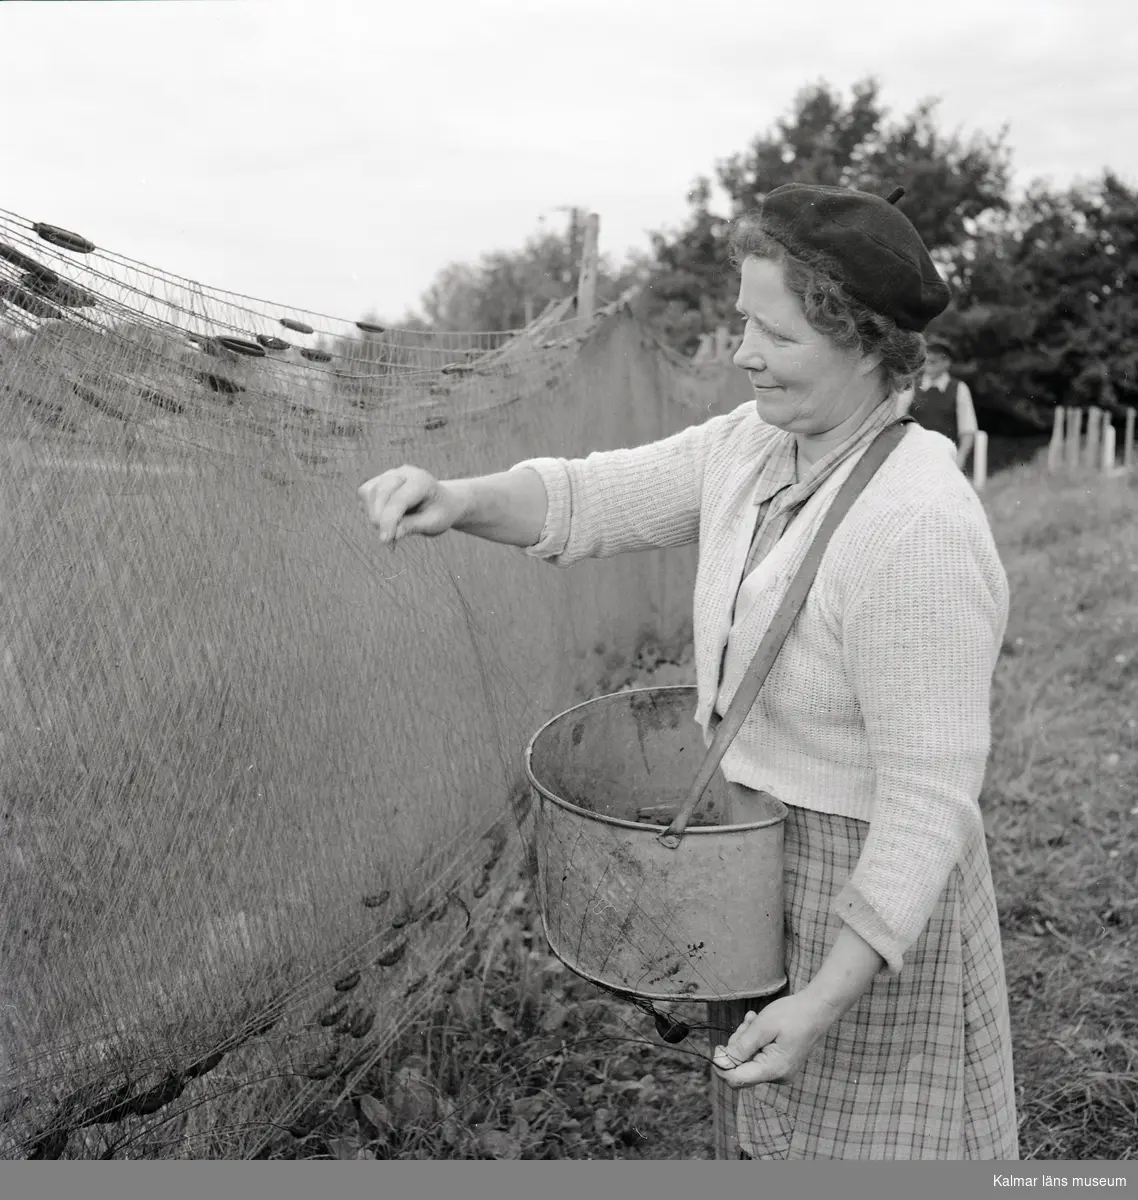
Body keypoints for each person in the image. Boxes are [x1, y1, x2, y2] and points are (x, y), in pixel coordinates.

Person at [357, 183, 1018, 1161]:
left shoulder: (917, 524)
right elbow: (595, 497)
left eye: (777, 337)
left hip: (872, 903)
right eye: (743, 320)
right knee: (771, 1134)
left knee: (871, 1149)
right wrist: (455, 497)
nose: (744, 352)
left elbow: (927, 802)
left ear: (868, 346)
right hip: (754, 856)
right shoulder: (756, 448)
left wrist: (825, 995)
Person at [898, 336, 979, 472]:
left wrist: (958, 462)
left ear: (947, 362)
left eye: (937, 355)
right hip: (914, 460)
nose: (931, 359)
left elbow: (968, 431)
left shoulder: (959, 388)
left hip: (947, 461)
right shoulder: (912, 386)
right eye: (928, 354)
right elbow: (897, 420)